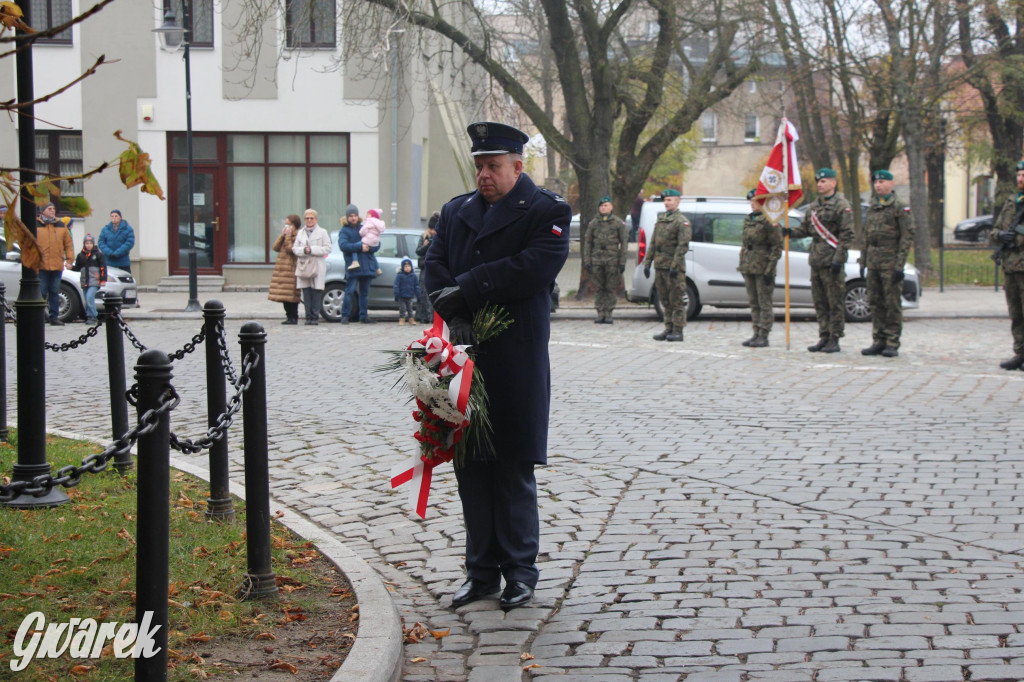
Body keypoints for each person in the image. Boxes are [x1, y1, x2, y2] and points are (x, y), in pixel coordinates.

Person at [424, 121, 570, 612]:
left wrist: (466, 289)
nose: (484, 174)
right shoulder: (456, 210)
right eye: (479, 166)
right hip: (464, 359)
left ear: (517, 166)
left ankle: (520, 573)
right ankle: (481, 572)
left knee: (512, 468)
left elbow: (532, 268)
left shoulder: (547, 210)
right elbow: (434, 267)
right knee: (470, 468)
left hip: (516, 360)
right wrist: (457, 315)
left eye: (493, 166)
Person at [783, 168, 854, 353]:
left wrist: (839, 259)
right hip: (816, 260)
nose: (820, 184)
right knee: (820, 302)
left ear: (833, 183)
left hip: (832, 261)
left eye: (824, 181)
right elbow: (806, 229)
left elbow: (846, 235)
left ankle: (835, 337)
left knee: (834, 302)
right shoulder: (814, 206)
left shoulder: (841, 205)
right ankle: (824, 335)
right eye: (818, 182)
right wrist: (790, 232)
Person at [860, 169, 915, 358]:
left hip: (890, 261)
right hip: (874, 262)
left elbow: (906, 236)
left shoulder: (899, 206)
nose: (878, 185)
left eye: (882, 182)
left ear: (891, 184)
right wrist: (863, 261)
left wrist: (900, 265)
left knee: (891, 303)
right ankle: (878, 340)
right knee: (875, 303)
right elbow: (866, 235)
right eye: (876, 182)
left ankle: (892, 341)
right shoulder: (873, 205)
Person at [641, 189, 691, 341]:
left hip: (673, 268)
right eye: (666, 200)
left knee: (676, 300)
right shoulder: (661, 219)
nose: (667, 203)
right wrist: (647, 263)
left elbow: (682, 246)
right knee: (665, 300)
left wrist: (675, 267)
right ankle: (668, 328)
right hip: (660, 266)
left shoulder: (681, 221)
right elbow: (653, 243)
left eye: (670, 200)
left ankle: (678, 330)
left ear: (677, 201)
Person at [990, 160, 1024, 370]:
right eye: (1019, 175)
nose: (1020, 179)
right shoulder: (1011, 202)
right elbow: (994, 231)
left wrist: (1018, 236)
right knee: (1016, 313)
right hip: (1010, 267)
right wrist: (1001, 235)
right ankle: (1020, 352)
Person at [738, 189, 782, 347]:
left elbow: (776, 247)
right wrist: (742, 265)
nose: (753, 204)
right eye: (751, 201)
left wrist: (770, 269)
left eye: (756, 201)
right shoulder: (749, 219)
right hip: (749, 266)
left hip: (763, 268)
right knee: (753, 302)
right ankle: (756, 332)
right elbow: (745, 245)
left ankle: (764, 334)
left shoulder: (770, 221)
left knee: (764, 303)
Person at [582, 196, 628, 324]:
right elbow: (587, 243)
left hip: (612, 260)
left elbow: (624, 243)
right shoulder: (593, 223)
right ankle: (600, 312)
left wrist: (622, 262)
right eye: (602, 206)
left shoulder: (618, 223)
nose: (604, 207)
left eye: (606, 205)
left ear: (611, 207)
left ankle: (609, 313)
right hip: (597, 260)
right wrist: (587, 261)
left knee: (610, 287)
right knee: (599, 288)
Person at [338, 204, 380, 324]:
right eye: (351, 216)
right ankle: (345, 316)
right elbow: (343, 246)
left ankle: (364, 316)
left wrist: (369, 248)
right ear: (347, 217)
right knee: (349, 292)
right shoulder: (344, 231)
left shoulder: (365, 227)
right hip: (353, 266)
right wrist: (359, 246)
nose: (353, 218)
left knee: (364, 293)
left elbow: (376, 243)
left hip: (367, 266)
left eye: (355, 215)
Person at [291, 208, 332, 325]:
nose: (309, 220)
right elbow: (295, 249)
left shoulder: (322, 232)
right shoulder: (301, 233)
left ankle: (315, 316)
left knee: (316, 292)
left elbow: (328, 248)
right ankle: (308, 316)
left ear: (316, 219)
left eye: (311, 218)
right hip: (304, 266)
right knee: (306, 293)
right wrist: (304, 250)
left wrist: (312, 249)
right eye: (307, 218)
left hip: (317, 265)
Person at [36, 203, 75, 326]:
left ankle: (54, 317)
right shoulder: (36, 225)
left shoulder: (61, 225)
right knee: (41, 292)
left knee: (54, 291)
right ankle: (40, 316)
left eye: (53, 208)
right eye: (49, 209)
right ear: (43, 211)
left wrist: (69, 260)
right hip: (41, 266)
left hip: (57, 265)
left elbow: (68, 244)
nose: (53, 211)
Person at [269, 214, 302, 325]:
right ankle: (288, 316)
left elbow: (290, 249)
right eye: (286, 224)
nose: (287, 226)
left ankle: (294, 317)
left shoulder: (298, 235)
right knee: (284, 296)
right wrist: (282, 235)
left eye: (289, 224)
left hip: (291, 269)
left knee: (292, 295)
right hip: (282, 269)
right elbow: (275, 247)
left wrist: (287, 236)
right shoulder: (286, 235)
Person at [70, 233, 106, 325]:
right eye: (87, 243)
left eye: (90, 243)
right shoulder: (80, 255)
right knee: (86, 300)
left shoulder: (98, 255)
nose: (89, 245)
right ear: (84, 244)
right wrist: (70, 267)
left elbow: (103, 268)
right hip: (84, 281)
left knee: (90, 298)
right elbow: (78, 268)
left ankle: (93, 316)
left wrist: (102, 280)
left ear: (93, 244)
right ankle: (89, 316)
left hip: (94, 281)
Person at [415, 212, 439, 323]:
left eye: (434, 229)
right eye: (431, 229)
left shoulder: (440, 238)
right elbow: (418, 251)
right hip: (425, 268)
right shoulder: (424, 237)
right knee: (423, 294)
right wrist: (426, 245)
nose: (432, 231)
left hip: (435, 269)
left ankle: (432, 317)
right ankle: (424, 317)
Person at [348, 208, 384, 276]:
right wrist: (370, 248)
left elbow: (363, 230)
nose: (366, 216)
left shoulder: (369, 221)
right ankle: (377, 268)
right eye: (351, 216)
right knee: (372, 255)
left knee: (354, 247)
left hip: (368, 240)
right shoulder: (379, 223)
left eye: (368, 214)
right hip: (375, 242)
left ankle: (355, 261)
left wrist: (361, 234)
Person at [97, 209, 135, 274]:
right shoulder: (105, 229)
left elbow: (129, 242)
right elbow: (101, 242)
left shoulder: (128, 229)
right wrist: (109, 253)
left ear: (120, 217)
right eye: (112, 216)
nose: (114, 218)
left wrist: (117, 253)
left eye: (116, 216)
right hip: (109, 262)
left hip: (123, 262)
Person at [392, 257, 418, 325]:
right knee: (402, 308)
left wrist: (418, 295)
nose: (407, 268)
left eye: (409, 266)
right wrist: (396, 293)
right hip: (402, 295)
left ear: (411, 267)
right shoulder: (399, 275)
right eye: (405, 266)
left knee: (410, 309)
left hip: (410, 295)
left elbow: (416, 286)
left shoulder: (414, 276)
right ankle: (402, 319)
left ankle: (411, 319)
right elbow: (396, 285)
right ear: (402, 267)